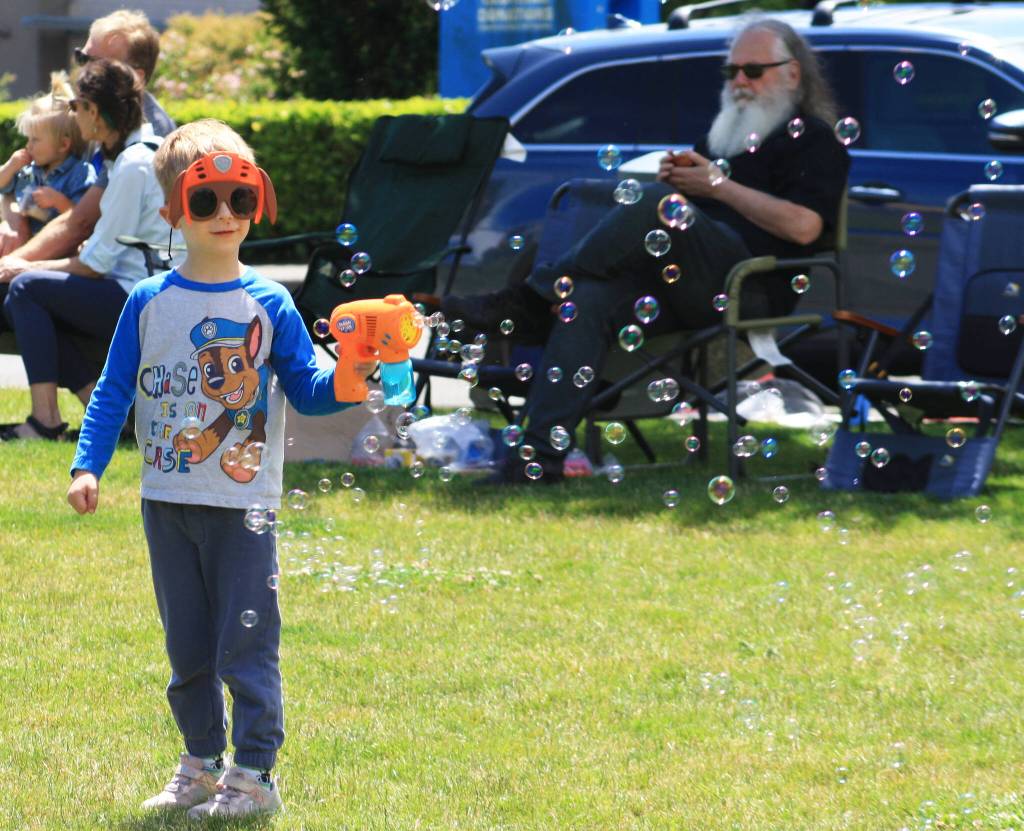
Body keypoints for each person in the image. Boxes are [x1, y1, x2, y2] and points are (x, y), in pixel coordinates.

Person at [66, 119, 361, 819]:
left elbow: (310, 390)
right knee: (188, 646)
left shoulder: (270, 303)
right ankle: (200, 763)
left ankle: (255, 774)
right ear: (175, 211)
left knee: (246, 643)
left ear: (258, 201)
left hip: (243, 507)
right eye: (206, 200)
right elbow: (112, 390)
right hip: (167, 501)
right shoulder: (149, 301)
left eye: (241, 198)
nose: (225, 213)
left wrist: (353, 373)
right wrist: (88, 465)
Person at [444, 16, 850, 484]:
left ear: (792, 74)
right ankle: (538, 460)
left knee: (656, 204)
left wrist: (715, 187)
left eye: (753, 71)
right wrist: (680, 181)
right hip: (683, 282)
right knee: (586, 302)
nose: (740, 80)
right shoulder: (724, 137)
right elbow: (687, 212)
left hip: (751, 284)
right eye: (731, 71)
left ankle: (532, 299)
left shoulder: (815, 140)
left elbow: (804, 227)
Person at [0, 58, 180, 440]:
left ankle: (49, 419)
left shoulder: (133, 164)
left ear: (93, 111)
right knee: (23, 296)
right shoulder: (129, 157)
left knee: (25, 289)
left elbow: (93, 265)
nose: (73, 114)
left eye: (75, 105)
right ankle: (104, 412)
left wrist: (22, 268)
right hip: (135, 290)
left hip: (141, 299)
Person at [0, 9, 175, 276]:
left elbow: (80, 223)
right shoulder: (84, 115)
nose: (85, 72)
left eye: (99, 66)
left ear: (135, 77)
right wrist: (14, 221)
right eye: (82, 58)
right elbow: (17, 180)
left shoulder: (141, 139)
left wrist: (13, 264)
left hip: (118, 273)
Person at [0, 73, 96, 251]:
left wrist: (58, 201)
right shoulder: (29, 169)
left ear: (64, 145)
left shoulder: (80, 173)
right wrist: (10, 166)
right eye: (28, 139)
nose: (28, 146)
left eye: (35, 140)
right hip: (22, 243)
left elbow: (85, 219)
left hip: (56, 249)